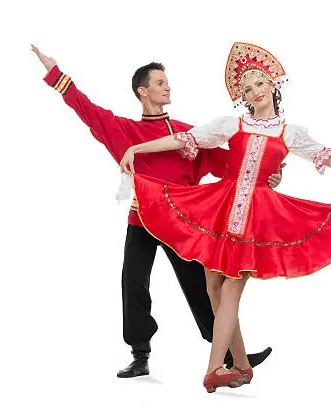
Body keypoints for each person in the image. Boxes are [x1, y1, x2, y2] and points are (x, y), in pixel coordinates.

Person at [119, 42, 331, 392]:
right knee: (213, 287)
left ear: (273, 85)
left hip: (256, 216)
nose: (254, 91)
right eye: (246, 88)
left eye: (259, 83)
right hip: (222, 209)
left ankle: (215, 367)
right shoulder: (232, 124)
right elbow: (183, 139)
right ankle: (241, 365)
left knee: (230, 288)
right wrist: (136, 148)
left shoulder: (290, 133)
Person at [31, 45, 278, 378]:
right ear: (142, 91)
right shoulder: (124, 132)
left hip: (184, 224)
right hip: (142, 219)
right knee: (133, 284)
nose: (168, 87)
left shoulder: (185, 133)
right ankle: (140, 354)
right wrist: (56, 74)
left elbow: (227, 162)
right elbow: (86, 109)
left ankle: (234, 357)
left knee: (204, 289)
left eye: (168, 82)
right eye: (161, 82)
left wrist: (266, 174)